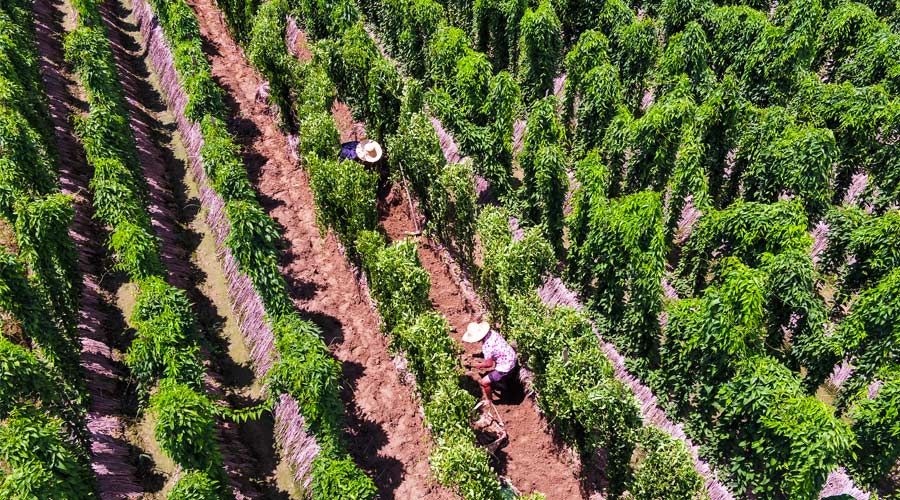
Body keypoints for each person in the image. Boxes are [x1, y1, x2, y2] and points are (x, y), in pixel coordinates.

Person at [463, 321, 517, 402]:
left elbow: (489, 364)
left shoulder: (486, 347)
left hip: (506, 365)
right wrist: (476, 357)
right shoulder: (492, 332)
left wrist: (479, 365)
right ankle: (504, 384)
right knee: (497, 370)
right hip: (511, 356)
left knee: (484, 382)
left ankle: (489, 400)